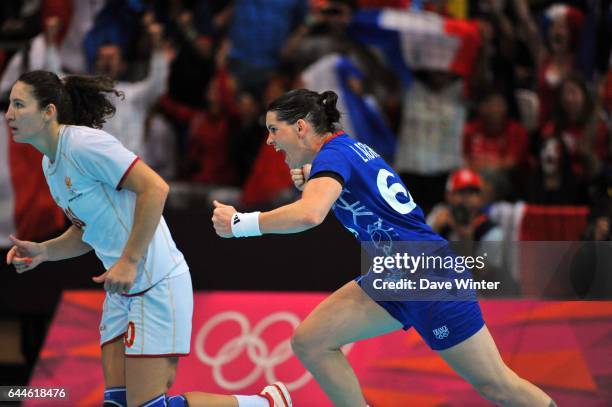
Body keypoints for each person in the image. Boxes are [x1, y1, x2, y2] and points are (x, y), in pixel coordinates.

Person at [212, 89, 557, 407]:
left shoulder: (333, 157)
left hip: (427, 275)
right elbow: (349, 186)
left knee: (496, 384)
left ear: (300, 127)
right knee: (311, 341)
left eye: (274, 130)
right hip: (393, 275)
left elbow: (310, 213)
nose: (270, 141)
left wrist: (241, 225)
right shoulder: (342, 150)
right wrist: (312, 172)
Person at [4, 70, 291, 407]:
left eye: (19, 105)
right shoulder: (50, 165)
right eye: (9, 104)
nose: (9, 114)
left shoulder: (83, 144)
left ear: (48, 111)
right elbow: (87, 230)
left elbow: (155, 188)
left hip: (156, 283)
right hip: (121, 290)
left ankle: (266, 404)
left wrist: (128, 261)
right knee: (117, 403)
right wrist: (44, 251)